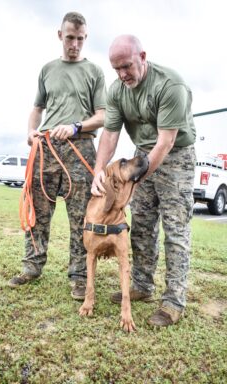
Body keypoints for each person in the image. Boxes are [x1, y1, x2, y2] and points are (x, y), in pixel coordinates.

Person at [92, 35, 196, 327]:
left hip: (175, 156)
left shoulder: (170, 85)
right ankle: (141, 285)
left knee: (175, 228)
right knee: (140, 224)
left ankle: (173, 302)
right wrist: (100, 170)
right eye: (116, 69)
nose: (123, 74)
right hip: (141, 157)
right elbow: (110, 135)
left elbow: (165, 143)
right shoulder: (116, 92)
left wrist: (131, 181)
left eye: (126, 66)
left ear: (142, 56)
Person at [8, 12, 106, 300]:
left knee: (80, 217)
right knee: (38, 212)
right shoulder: (48, 69)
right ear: (60, 35)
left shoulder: (94, 72)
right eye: (70, 37)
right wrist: (31, 130)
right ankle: (32, 267)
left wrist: (76, 125)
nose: (75, 44)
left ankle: (78, 277)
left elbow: (102, 116)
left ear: (85, 38)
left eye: (80, 39)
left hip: (80, 148)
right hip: (47, 149)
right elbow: (37, 108)